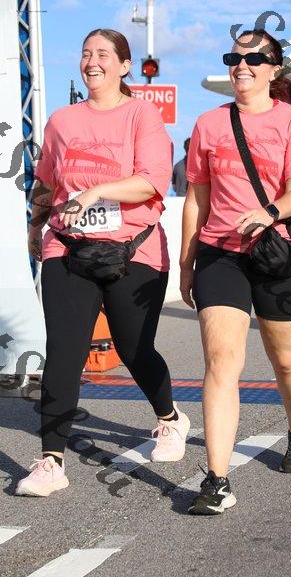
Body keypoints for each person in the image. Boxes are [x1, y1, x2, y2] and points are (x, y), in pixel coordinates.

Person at [16, 28, 190, 497]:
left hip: (133, 247)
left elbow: (151, 182)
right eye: (85, 53)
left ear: (125, 66)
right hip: (68, 246)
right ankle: (51, 461)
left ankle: (170, 418)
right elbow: (47, 181)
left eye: (103, 54)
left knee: (134, 349)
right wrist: (36, 226)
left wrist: (95, 192)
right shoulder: (61, 121)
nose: (92, 61)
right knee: (64, 350)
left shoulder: (142, 115)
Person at [180, 29, 291, 515]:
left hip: (279, 253)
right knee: (222, 361)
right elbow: (196, 198)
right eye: (235, 58)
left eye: (255, 59)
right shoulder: (208, 123)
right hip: (221, 255)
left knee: (286, 361)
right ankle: (216, 481)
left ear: (274, 68)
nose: (243, 66)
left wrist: (269, 212)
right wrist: (186, 263)